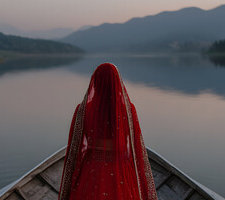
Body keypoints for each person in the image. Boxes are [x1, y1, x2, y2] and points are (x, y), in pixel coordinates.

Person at [59, 63, 158, 200]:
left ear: (95, 82)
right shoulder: (128, 110)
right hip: (121, 170)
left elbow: (74, 148)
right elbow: (137, 148)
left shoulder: (83, 110)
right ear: (117, 82)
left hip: (91, 170)